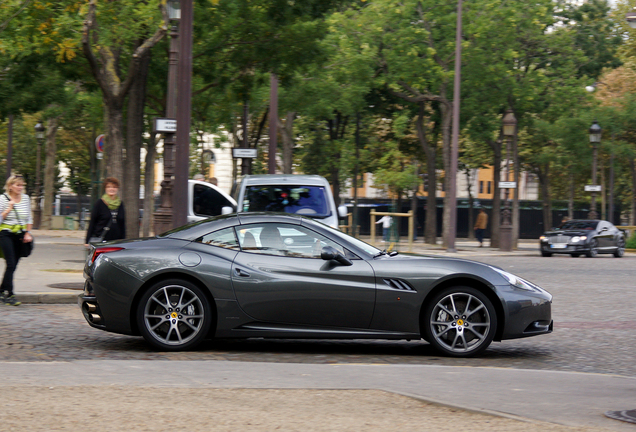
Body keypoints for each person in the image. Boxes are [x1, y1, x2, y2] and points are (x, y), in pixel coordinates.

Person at [0, 175, 34, 306]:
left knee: (14, 265)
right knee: (11, 263)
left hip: (20, 235)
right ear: (10, 186)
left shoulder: (25, 198)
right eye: (18, 185)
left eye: (22, 185)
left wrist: (28, 233)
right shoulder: (2, 199)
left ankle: (2, 289)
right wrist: (8, 208)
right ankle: (10, 293)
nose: (20, 188)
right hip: (5, 234)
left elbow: (29, 218)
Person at [85, 177, 126, 247]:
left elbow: (123, 224)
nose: (111, 189)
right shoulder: (99, 203)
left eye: (114, 187)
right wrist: (87, 241)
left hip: (117, 241)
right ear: (105, 189)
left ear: (117, 189)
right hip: (101, 240)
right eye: (109, 187)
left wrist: (124, 241)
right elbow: (92, 222)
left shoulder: (120, 204)